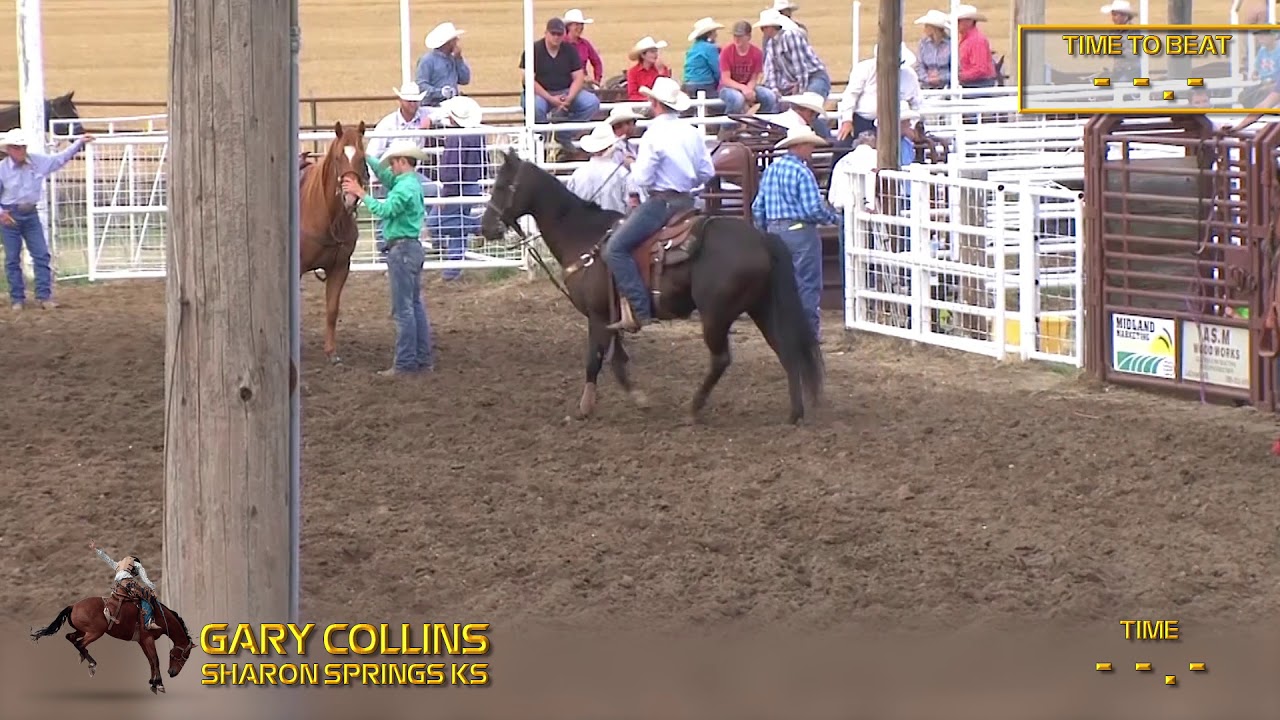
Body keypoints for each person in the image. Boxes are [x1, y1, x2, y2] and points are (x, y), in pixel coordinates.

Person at [604, 77, 716, 332]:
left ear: (655, 103)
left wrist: (631, 165)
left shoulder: (654, 133)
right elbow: (706, 172)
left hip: (662, 203)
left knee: (615, 248)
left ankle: (641, 310)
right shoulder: (692, 131)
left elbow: (642, 179)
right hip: (689, 201)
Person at [345, 140, 434, 376]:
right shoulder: (410, 183)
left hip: (402, 251)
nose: (391, 167)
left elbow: (384, 211)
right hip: (412, 249)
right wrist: (365, 157)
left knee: (403, 309)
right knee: (414, 305)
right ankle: (422, 359)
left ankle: (405, 363)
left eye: (393, 162)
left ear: (403, 161)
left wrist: (360, 193)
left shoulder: (404, 188)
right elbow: (386, 177)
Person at [751, 125, 839, 338]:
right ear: (800, 146)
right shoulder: (802, 171)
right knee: (807, 282)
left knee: (781, 283)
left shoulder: (772, 170)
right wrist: (833, 218)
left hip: (774, 230)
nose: (811, 150)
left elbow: (757, 207)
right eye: (810, 145)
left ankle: (783, 331)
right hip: (799, 232)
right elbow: (812, 209)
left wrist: (764, 230)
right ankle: (807, 334)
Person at [0, 128, 93, 311]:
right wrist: (2, 213)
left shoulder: (37, 161)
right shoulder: (1, 170)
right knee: (12, 258)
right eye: (17, 147)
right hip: (9, 215)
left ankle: (44, 296)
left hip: (30, 213)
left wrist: (78, 143)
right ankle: (17, 298)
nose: (21, 150)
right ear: (9, 149)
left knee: (41, 254)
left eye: (22, 147)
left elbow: (59, 159)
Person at [426, 96, 486, 282]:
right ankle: (452, 271)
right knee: (457, 227)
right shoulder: (476, 134)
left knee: (434, 224)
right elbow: (483, 163)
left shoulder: (456, 138)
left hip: (457, 188)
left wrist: (445, 194)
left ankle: (478, 225)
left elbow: (451, 170)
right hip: (472, 185)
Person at [518, 18, 601, 146]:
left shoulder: (570, 50)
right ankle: (541, 141)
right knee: (536, 107)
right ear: (546, 33)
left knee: (591, 102)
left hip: (565, 91)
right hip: (539, 93)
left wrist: (569, 97)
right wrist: (551, 99)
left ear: (564, 34)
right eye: (553, 33)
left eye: (559, 34)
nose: (556, 37)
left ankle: (565, 134)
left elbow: (579, 77)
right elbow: (528, 80)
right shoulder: (533, 50)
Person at [835, 43, 922, 141]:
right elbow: (851, 95)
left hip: (898, 124)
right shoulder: (864, 68)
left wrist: (912, 125)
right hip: (863, 121)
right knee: (843, 146)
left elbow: (916, 103)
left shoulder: (910, 76)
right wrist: (847, 120)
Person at [755, 9, 831, 100]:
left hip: (814, 77)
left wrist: (800, 91)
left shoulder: (790, 36)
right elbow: (772, 70)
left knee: (809, 103)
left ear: (771, 27)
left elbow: (800, 66)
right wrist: (775, 90)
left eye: (763, 28)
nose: (762, 31)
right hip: (796, 82)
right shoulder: (771, 43)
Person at [90, 540, 160, 631]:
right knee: (146, 597)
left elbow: (107, 559)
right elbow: (145, 579)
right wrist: (153, 588)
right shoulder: (137, 564)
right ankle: (148, 622)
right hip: (128, 584)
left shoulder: (117, 565)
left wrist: (96, 549)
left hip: (118, 586)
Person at [567, 124, 632, 214]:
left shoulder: (577, 174)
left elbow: (570, 203)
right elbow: (630, 204)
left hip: (585, 223)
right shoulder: (621, 173)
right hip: (614, 223)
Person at [719, 21, 779, 114]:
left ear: (748, 37)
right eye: (735, 36)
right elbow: (726, 79)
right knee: (737, 100)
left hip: (749, 86)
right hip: (728, 87)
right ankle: (728, 127)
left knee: (769, 97)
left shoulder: (757, 53)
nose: (737, 39)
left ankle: (758, 124)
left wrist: (749, 89)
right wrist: (743, 88)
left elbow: (754, 77)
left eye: (740, 36)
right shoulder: (726, 51)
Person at [415, 22, 472, 107]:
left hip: (452, 106)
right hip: (432, 107)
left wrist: (459, 59)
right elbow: (421, 86)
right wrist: (440, 92)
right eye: (454, 40)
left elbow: (465, 79)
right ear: (448, 43)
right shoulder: (427, 60)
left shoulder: (453, 59)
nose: (457, 41)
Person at [954, 5, 998, 88]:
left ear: (969, 22)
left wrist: (959, 76)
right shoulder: (965, 39)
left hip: (979, 84)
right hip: (970, 83)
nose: (956, 23)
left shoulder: (977, 40)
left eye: (959, 21)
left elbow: (980, 69)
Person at [682, 18, 725, 101]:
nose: (716, 35)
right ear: (709, 34)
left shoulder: (693, 48)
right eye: (714, 32)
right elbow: (717, 70)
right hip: (705, 85)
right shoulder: (710, 48)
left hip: (687, 86)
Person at [1100, 2, 1139, 83]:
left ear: (1126, 16)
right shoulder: (1113, 31)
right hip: (1118, 71)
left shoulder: (1135, 31)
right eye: (1113, 15)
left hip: (1132, 72)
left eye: (1116, 15)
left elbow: (1135, 53)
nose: (1114, 18)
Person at [563, 9, 604, 85]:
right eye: (577, 25)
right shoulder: (561, 44)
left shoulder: (585, 44)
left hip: (583, 84)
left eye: (581, 24)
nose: (580, 27)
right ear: (568, 26)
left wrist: (597, 80)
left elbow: (597, 62)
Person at [914, 10, 952, 89]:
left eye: (927, 26)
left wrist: (941, 78)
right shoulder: (923, 44)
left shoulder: (950, 44)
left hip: (946, 87)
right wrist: (927, 79)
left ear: (934, 28)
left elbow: (956, 70)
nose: (924, 29)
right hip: (926, 86)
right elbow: (919, 66)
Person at [626, 36, 672, 102]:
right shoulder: (633, 72)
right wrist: (649, 100)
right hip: (641, 105)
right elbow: (633, 95)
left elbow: (668, 91)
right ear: (643, 55)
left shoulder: (662, 68)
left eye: (656, 51)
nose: (656, 54)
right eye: (652, 52)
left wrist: (661, 72)